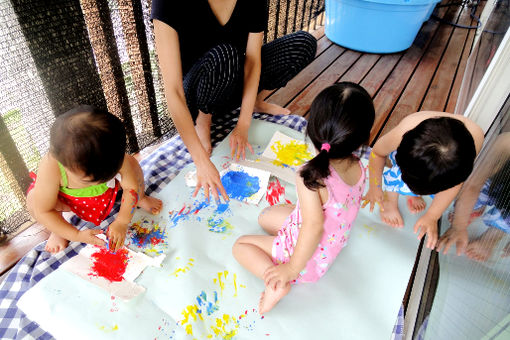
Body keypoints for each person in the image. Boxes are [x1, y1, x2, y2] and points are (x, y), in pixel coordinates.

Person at [152, 0, 317, 202]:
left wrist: (244, 123)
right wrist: (201, 160)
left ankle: (254, 101)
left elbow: (253, 61)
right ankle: (203, 121)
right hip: (196, 93)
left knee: (303, 44)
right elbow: (173, 90)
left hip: (232, 74)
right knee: (225, 55)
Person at [232, 82, 375, 314]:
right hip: (331, 243)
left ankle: (276, 286)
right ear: (361, 139)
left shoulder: (310, 175)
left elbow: (313, 227)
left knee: (241, 246)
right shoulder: (360, 165)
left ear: (312, 130)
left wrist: (290, 269)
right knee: (266, 215)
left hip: (305, 260)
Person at [26, 105, 162, 253]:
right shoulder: (51, 167)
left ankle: (141, 198)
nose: (102, 181)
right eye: (92, 180)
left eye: (109, 174)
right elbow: (44, 211)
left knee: (131, 164)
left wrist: (123, 220)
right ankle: (58, 230)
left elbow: (131, 187)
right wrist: (76, 234)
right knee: (35, 201)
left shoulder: (109, 151)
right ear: (64, 164)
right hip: (68, 201)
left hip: (108, 192)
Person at [362, 111, 484, 249]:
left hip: (434, 163)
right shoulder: (404, 130)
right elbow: (377, 153)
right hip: (413, 149)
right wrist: (375, 187)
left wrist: (433, 215)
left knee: (428, 175)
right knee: (398, 177)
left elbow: (455, 183)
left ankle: (415, 193)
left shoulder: (475, 140)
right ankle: (390, 201)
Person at [436, 132, 510, 260]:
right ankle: (473, 208)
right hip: (493, 181)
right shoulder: (506, 142)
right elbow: (473, 184)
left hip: (505, 197)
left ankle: (493, 234)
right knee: (459, 189)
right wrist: (459, 224)